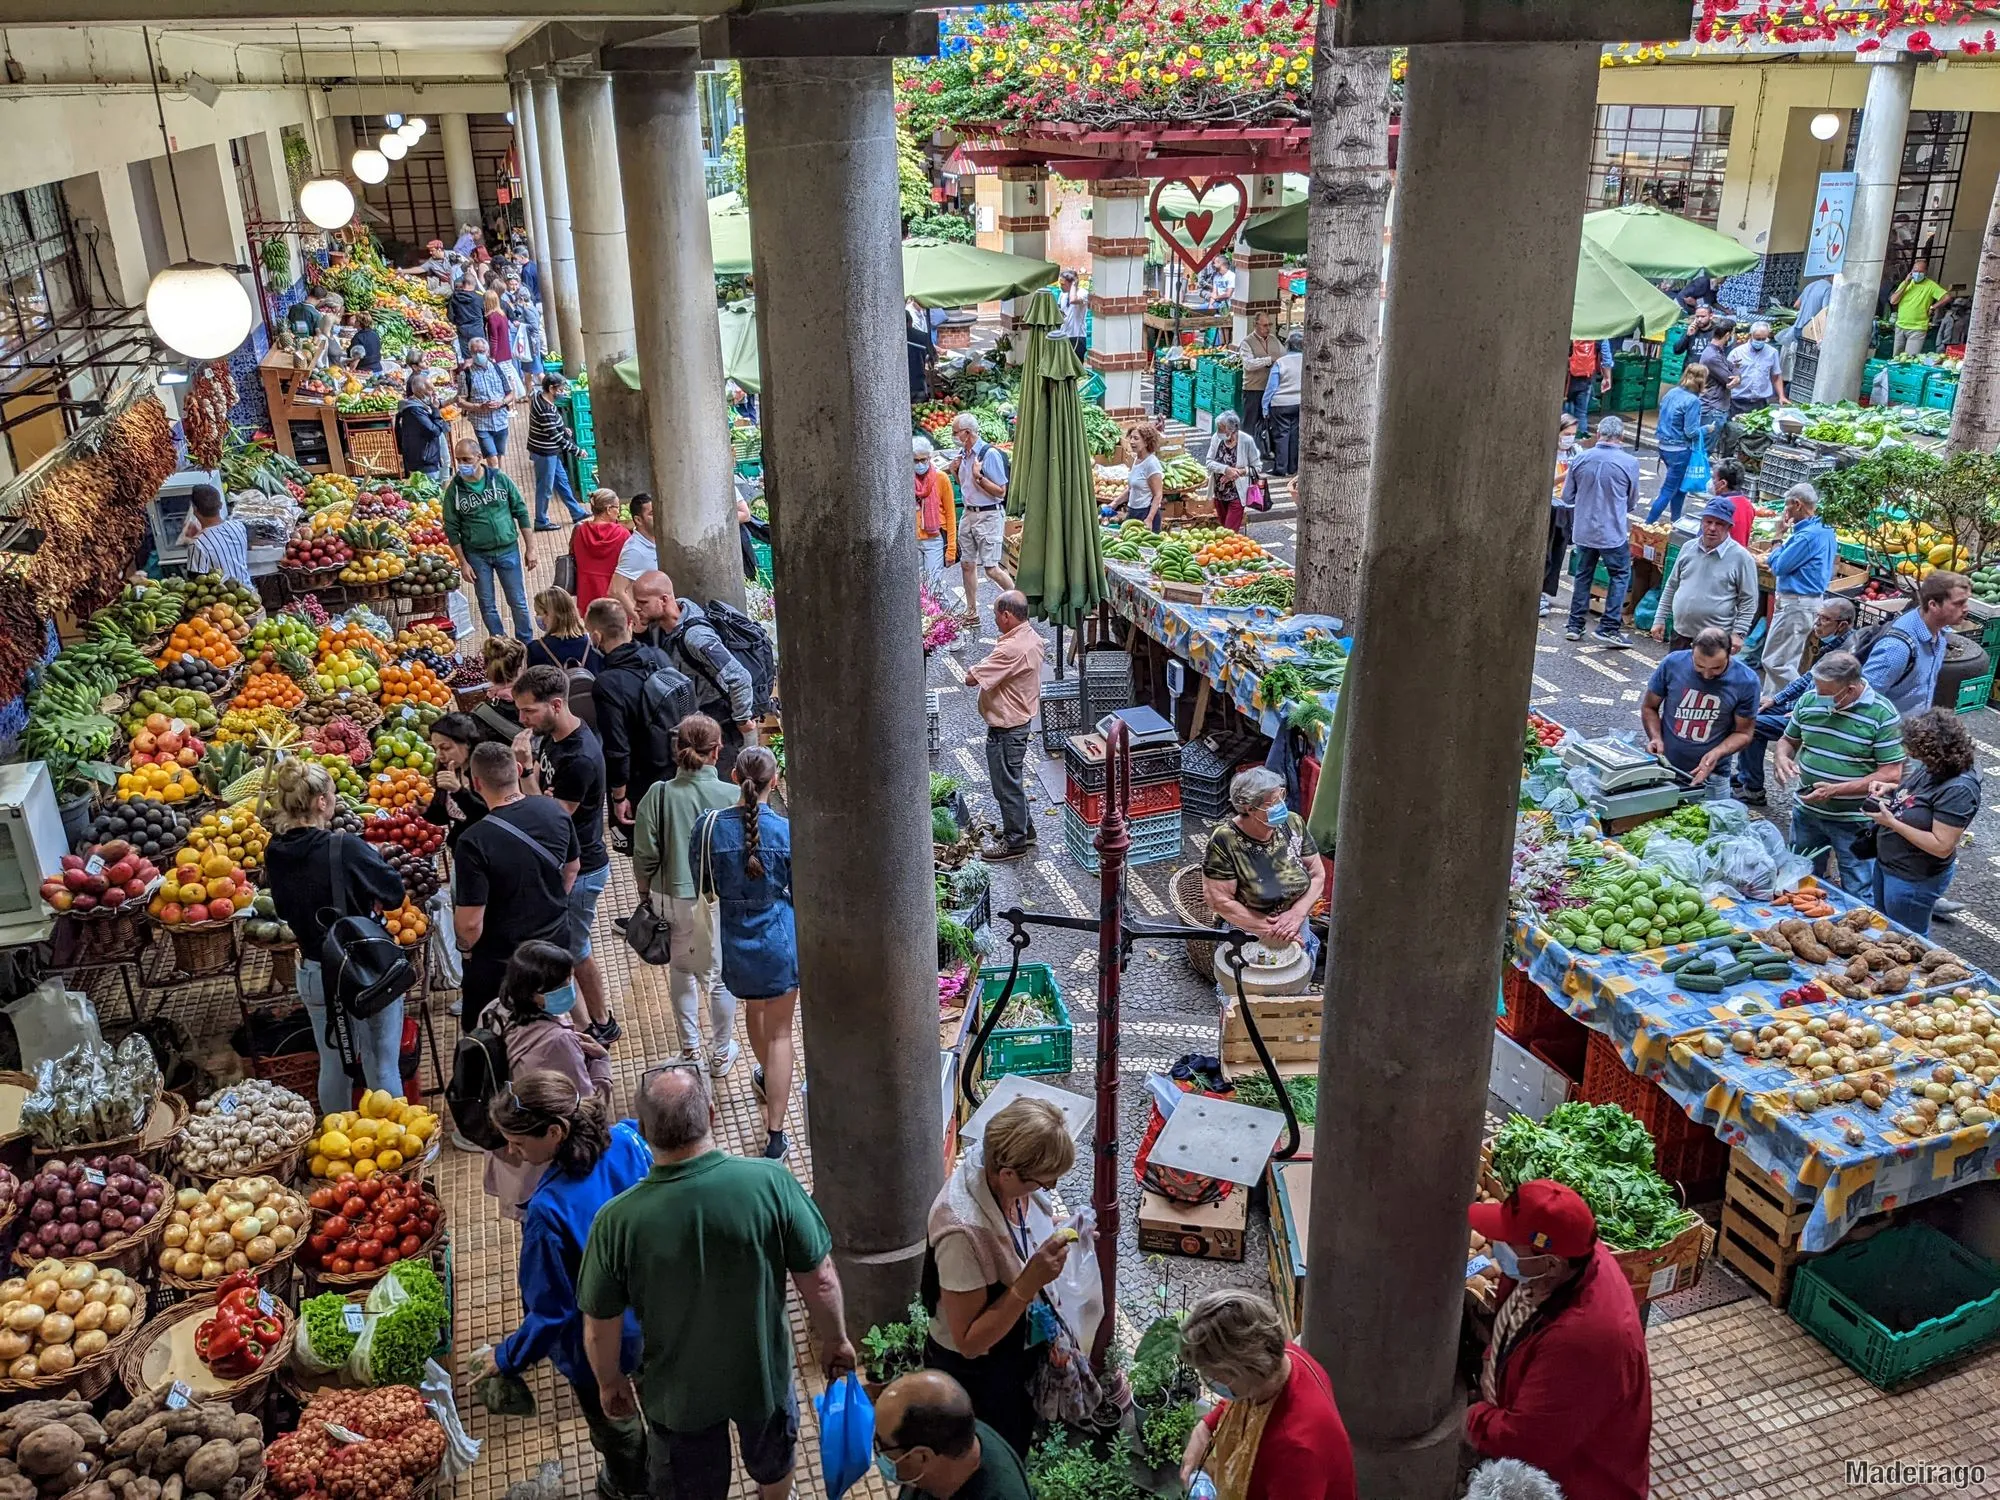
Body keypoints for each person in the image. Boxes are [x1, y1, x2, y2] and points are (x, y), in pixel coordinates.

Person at [578, 1065, 854, 1500]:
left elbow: (599, 1324)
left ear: (644, 1129)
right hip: (762, 1376)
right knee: (774, 1464)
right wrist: (836, 1340)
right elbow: (820, 1280)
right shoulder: (771, 1182)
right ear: (710, 1112)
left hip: (678, 1397)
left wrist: (610, 1383)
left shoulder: (616, 1222)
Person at [476, 1073, 651, 1500]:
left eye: (518, 1143)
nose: (513, 1153)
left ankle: (631, 1486)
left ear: (554, 1131)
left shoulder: (547, 1211)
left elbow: (552, 1309)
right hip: (655, 1317)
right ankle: (669, 1466)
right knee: (664, 1403)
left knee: (616, 1421)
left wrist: (509, 1356)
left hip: (597, 1346)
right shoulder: (628, 1140)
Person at [1463, 1180, 1651, 1500]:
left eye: (1508, 1242)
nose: (1497, 1244)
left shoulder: (1584, 1339)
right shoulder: (1566, 1259)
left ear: (1551, 1264)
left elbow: (1526, 1441)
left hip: (1578, 1485)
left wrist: (1470, 1419)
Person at [923, 1097, 1075, 1458]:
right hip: (979, 1375)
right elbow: (970, 1342)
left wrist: (1065, 1229)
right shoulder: (962, 1233)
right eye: (1043, 1181)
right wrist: (1028, 1283)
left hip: (1014, 1352)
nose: (1050, 1187)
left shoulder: (1004, 1183)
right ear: (1008, 1174)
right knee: (994, 1452)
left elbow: (1020, 1234)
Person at [262, 759, 407, 1114]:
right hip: (366, 971)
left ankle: (338, 1146)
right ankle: (399, 1144)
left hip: (315, 970)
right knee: (381, 1063)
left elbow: (282, 909)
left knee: (334, 1063)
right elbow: (394, 894)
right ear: (321, 802)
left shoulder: (274, 851)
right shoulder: (346, 847)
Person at [513, 665, 621, 1046]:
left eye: (529, 711)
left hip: (583, 868)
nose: (522, 720)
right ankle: (591, 1022)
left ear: (556, 705)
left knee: (572, 951)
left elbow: (552, 817)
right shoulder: (557, 738)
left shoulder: (580, 758)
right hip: (567, 861)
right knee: (573, 949)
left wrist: (524, 768)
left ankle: (596, 1025)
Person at [696, 747, 795, 1156]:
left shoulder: (709, 827)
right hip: (779, 937)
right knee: (782, 1033)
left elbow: (703, 882)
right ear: (775, 782)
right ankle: (775, 1133)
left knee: (753, 1010)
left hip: (735, 938)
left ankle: (764, 1073)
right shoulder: (786, 832)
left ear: (734, 777)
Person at [632, 714, 741, 1071]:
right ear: (717, 751)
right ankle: (721, 1054)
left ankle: (691, 1050)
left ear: (678, 749)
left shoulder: (658, 794)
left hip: (670, 896)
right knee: (719, 976)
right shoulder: (733, 795)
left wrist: (644, 890)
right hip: (718, 900)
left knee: (681, 969)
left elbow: (645, 853)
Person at [476, 940, 612, 1219]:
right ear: (537, 993)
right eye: (564, 983)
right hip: (545, 1163)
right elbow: (586, 1108)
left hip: (511, 1150)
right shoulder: (555, 1042)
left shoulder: (493, 1012)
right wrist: (600, 1063)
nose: (571, 988)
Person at [1177, 1290, 1357, 1500]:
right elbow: (1240, 1399)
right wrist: (1205, 1428)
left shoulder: (1296, 1452)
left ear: (1243, 1369)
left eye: (1215, 1377)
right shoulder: (1280, 1358)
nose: (1208, 1383)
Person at [453, 741, 580, 1032]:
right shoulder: (553, 810)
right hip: (554, 943)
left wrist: (465, 949)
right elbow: (572, 868)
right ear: (519, 770)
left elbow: (471, 923)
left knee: (490, 1029)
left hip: (503, 960)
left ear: (476, 783)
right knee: (553, 1021)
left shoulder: (474, 841)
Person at [1772, 651, 1905, 897]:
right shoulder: (1809, 701)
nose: (1818, 696)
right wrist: (1781, 757)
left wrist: (1836, 790)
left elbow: (1890, 774)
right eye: (1817, 688)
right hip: (1807, 814)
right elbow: (1788, 739)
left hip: (1854, 820)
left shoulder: (1882, 715)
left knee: (1859, 889)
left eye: (1826, 693)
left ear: (1851, 690)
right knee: (1801, 882)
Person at [1867, 708, 1980, 935]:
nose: (1910, 755)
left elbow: (1941, 846)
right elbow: (1917, 798)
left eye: (1916, 752)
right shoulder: (1933, 768)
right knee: (1882, 926)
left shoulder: (1959, 789)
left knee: (1907, 939)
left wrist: (1892, 823)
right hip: (1890, 864)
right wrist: (1892, 789)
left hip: (1913, 878)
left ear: (1934, 753)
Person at [631, 570, 758, 769]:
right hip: (696, 724)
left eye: (643, 602)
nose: (636, 608)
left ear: (664, 600)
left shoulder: (695, 638)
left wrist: (742, 721)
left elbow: (740, 677)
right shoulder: (661, 627)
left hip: (719, 728)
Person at [1734, 598, 1856, 806]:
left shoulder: (1846, 654)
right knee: (1751, 710)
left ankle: (1752, 788)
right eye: (1817, 616)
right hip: (1802, 705)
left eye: (1824, 619)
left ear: (1842, 625)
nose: (1817, 623)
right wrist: (1775, 699)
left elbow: (1839, 696)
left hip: (1816, 714)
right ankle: (1745, 776)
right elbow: (1807, 679)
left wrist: (1805, 710)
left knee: (1752, 725)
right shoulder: (1832, 645)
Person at [1202, 767, 1326, 952]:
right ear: (1249, 808)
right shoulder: (1225, 840)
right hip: (1249, 933)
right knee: (1247, 979)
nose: (1280, 806)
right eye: (1272, 803)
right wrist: (1275, 930)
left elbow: (1318, 874)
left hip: (1297, 926)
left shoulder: (1293, 823)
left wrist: (1297, 914)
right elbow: (1219, 900)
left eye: (1281, 797)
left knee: (1298, 975)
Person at [584, 598, 679, 836]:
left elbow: (617, 747)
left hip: (640, 778)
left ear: (596, 637)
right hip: (674, 766)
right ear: (628, 625)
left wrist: (619, 797)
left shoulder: (607, 683)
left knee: (644, 846)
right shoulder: (659, 656)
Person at [965, 592, 1043, 862]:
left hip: (1008, 729)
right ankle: (1024, 829)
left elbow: (971, 678)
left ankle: (1015, 842)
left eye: (997, 615)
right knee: (1013, 781)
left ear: (1007, 616)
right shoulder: (1030, 637)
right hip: (1019, 723)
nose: (995, 620)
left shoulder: (1011, 648)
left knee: (1005, 785)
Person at [873, 1371, 1032, 1500]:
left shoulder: (1002, 1493)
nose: (877, 1452)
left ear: (922, 1456)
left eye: (880, 1444)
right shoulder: (954, 1429)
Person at [1641, 627, 1758, 795]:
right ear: (1691, 650)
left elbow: (1744, 733)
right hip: (1665, 768)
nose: (1707, 675)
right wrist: (1655, 738)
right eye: (1699, 666)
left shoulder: (1746, 681)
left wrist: (1717, 753)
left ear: (1730, 653)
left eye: (1716, 668)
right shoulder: (1672, 663)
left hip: (1713, 777)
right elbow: (1649, 707)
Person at [443, 437, 535, 641]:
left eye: (466, 459)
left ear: (478, 457)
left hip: (508, 550)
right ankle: (500, 642)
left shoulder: (500, 479)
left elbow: (520, 510)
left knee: (518, 601)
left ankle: (526, 643)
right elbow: (451, 528)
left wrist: (530, 548)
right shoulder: (454, 491)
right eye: (458, 460)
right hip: (477, 556)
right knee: (487, 604)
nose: (462, 464)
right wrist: (463, 563)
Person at [1561, 416, 1641, 648]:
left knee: (1584, 574)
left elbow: (1567, 497)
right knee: (1619, 574)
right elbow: (1632, 501)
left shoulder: (1581, 459)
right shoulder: (1629, 463)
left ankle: (1575, 625)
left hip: (1584, 529)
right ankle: (1609, 626)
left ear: (1599, 435)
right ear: (1622, 437)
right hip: (1611, 532)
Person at [1759, 482, 1839, 695]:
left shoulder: (1807, 536)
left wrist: (1778, 536)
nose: (1786, 511)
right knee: (1787, 659)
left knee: (1775, 662)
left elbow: (1778, 566)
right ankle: (1769, 704)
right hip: (1808, 602)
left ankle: (1807, 697)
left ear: (1797, 504)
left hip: (1797, 603)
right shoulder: (1825, 529)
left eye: (1788, 506)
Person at [1862, 569, 1971, 717]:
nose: (1966, 609)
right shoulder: (1897, 648)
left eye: (1966, 602)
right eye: (1958, 603)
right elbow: (1863, 701)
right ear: (1933, 605)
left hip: (1914, 731)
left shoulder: (1939, 634)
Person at [1654, 497, 1758, 651]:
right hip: (1681, 633)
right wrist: (1659, 618)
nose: (1712, 528)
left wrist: (1738, 633)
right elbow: (1672, 585)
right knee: (1677, 674)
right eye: (1708, 522)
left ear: (1729, 527)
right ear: (1702, 522)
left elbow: (1749, 599)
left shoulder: (1741, 558)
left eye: (1719, 523)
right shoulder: (1688, 548)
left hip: (1715, 640)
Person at [952, 412, 1014, 626]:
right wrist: (955, 473)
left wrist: (979, 477)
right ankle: (971, 612)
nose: (954, 436)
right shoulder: (963, 456)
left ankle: (1018, 606)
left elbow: (1000, 492)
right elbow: (966, 488)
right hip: (969, 514)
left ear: (967, 433)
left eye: (956, 433)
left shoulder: (989, 455)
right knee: (967, 564)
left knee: (991, 569)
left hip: (988, 515)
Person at [1644, 365, 1708, 525]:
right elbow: (1691, 432)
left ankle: (1676, 522)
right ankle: (1647, 524)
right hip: (1680, 451)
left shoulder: (1671, 393)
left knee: (1680, 489)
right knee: (1668, 490)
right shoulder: (1693, 401)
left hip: (1664, 447)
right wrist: (1706, 429)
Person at [527, 374, 588, 531]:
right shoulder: (545, 408)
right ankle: (541, 520)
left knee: (562, 482)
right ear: (551, 388)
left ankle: (577, 512)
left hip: (549, 451)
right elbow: (555, 437)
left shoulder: (541, 398)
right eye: (560, 389)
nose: (562, 392)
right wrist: (577, 451)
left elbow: (554, 423)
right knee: (545, 488)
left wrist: (562, 427)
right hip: (544, 452)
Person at [425, 712, 493, 853]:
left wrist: (459, 792)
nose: (439, 755)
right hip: (464, 851)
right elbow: (444, 816)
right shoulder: (448, 769)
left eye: (445, 748)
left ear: (467, 744)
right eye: (436, 748)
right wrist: (424, 810)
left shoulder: (488, 772)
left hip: (488, 854)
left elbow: (490, 818)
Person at [1541, 416, 1579, 618]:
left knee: (1558, 553)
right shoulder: (1548, 453)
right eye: (1566, 434)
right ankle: (1536, 594)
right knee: (1544, 554)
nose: (1570, 439)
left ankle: (1545, 592)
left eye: (1573, 435)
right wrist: (1566, 476)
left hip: (1567, 507)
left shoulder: (1576, 452)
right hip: (1550, 506)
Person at [570, 489, 632, 610]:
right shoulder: (622, 534)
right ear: (608, 509)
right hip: (615, 597)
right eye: (617, 508)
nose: (618, 512)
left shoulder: (580, 531)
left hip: (587, 594)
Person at [914, 436, 958, 600]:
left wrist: (951, 548)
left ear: (929, 458)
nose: (919, 464)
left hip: (934, 539)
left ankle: (946, 622)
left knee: (934, 587)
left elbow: (951, 515)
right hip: (914, 540)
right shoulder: (906, 479)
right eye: (915, 460)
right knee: (918, 590)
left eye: (923, 459)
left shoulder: (941, 478)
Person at [182, 484, 252, 586]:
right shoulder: (239, 527)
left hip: (223, 599)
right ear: (221, 505)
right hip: (249, 593)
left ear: (194, 509)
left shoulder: (198, 544)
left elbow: (196, 582)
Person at [1205, 410, 1262, 532]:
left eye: (1221, 429)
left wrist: (1238, 472)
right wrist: (1226, 470)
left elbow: (1257, 468)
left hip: (1237, 494)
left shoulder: (1246, 441)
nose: (1219, 432)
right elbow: (1209, 462)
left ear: (1233, 429)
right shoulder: (1216, 438)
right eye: (1218, 429)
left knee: (1229, 533)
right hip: (1219, 493)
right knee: (1223, 530)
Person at [459, 338, 514, 458]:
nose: (479, 355)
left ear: (487, 352)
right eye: (475, 352)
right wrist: (478, 407)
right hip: (480, 422)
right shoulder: (465, 375)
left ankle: (496, 476)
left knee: (499, 455)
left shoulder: (498, 369)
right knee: (491, 457)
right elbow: (461, 401)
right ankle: (494, 474)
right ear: (471, 354)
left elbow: (510, 394)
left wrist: (501, 402)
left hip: (500, 419)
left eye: (482, 351)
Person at [1236, 311, 1284, 450]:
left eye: (1269, 325)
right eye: (1264, 325)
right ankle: (1244, 450)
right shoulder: (1247, 342)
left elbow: (1284, 356)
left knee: (1270, 421)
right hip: (1253, 389)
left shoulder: (1274, 340)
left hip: (1272, 389)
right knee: (1250, 422)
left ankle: (1266, 449)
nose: (1268, 328)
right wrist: (1268, 360)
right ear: (1255, 325)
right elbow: (1248, 364)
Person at [527, 587, 603, 672]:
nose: (537, 617)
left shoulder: (535, 650)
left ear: (549, 615)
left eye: (538, 613)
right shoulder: (594, 644)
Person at [395, 373, 451, 483]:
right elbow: (434, 430)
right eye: (431, 390)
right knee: (430, 493)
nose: (434, 393)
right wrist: (435, 410)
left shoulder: (422, 407)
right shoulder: (414, 410)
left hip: (429, 459)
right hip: (424, 462)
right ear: (421, 392)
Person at [1261, 330, 1304, 477]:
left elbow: (1271, 387)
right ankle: (1293, 467)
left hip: (1280, 404)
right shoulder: (1307, 361)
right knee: (1295, 435)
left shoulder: (1281, 362)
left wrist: (1265, 407)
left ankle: (1281, 467)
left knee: (1281, 435)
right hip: (1299, 403)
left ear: (1288, 345)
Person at [611, 494, 661, 612]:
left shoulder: (659, 540)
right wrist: (638, 619)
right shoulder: (634, 550)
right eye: (652, 514)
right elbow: (616, 590)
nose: (659, 517)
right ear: (638, 520)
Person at [1889, 259, 1949, 357]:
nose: (1917, 274)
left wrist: (1933, 307)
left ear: (1925, 272)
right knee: (1896, 357)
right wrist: (1906, 283)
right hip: (1900, 326)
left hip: (1917, 328)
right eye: (1915, 271)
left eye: (1920, 272)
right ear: (1911, 271)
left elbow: (1947, 297)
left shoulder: (1931, 285)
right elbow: (1893, 301)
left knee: (1909, 358)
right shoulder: (1906, 283)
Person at [1726, 320, 1785, 415]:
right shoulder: (1737, 353)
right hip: (1738, 401)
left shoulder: (1772, 353)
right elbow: (1727, 375)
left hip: (1761, 402)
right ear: (1750, 336)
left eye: (1763, 339)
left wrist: (1781, 396)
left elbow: (1776, 376)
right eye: (1758, 338)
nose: (1760, 341)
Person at [1121, 424, 1167, 534]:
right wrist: (1113, 504)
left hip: (1146, 513)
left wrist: (1149, 519)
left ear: (1146, 442)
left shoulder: (1151, 464)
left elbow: (1158, 495)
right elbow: (1131, 489)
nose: (1132, 441)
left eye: (1136, 438)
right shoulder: (1137, 459)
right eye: (1131, 437)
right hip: (1133, 511)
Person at [1562, 339, 1613, 438]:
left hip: (1566, 379)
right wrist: (1607, 377)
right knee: (1581, 413)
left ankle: (1564, 441)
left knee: (1564, 413)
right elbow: (1606, 356)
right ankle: (1581, 441)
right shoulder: (1597, 331)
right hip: (1585, 377)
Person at [1695, 323, 1736, 444]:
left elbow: (1732, 367)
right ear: (1728, 335)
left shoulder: (1719, 351)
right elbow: (1730, 378)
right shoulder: (1712, 356)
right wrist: (1737, 375)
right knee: (1704, 449)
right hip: (1713, 408)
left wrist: (1736, 374)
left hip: (1716, 407)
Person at [1706, 458, 1755, 547]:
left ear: (1723, 484)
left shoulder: (1718, 504)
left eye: (1713, 478)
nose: (1711, 482)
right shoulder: (1748, 505)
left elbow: (1705, 539)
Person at [448, 272, 486, 358]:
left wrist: (457, 322)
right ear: (474, 283)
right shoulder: (479, 297)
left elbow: (450, 315)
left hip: (462, 330)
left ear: (463, 283)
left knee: (467, 357)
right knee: (480, 355)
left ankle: (468, 370)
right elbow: (485, 314)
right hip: (477, 329)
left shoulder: (454, 297)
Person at [1057, 268, 1088, 363]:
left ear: (1072, 283)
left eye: (1063, 284)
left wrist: (1074, 284)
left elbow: (1073, 300)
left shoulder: (1083, 293)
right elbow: (1060, 311)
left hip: (1077, 336)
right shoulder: (1063, 295)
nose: (1061, 287)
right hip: (1063, 334)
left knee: (1076, 366)